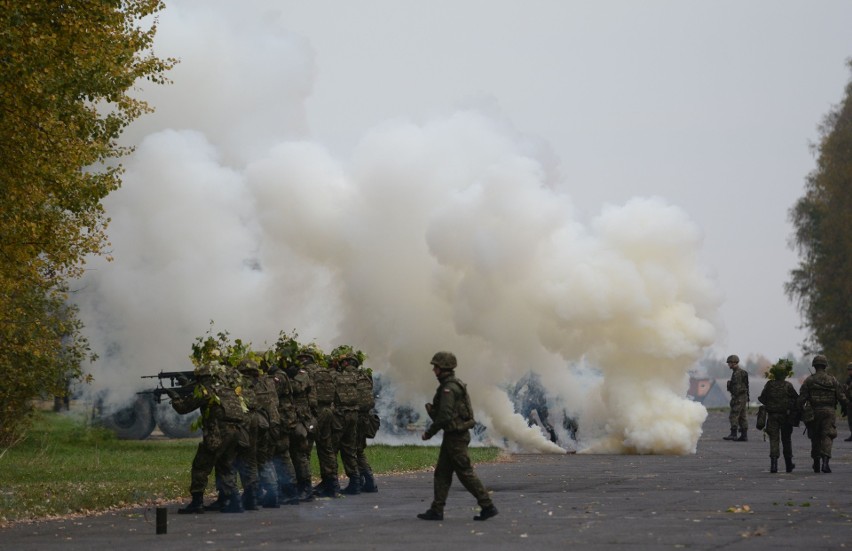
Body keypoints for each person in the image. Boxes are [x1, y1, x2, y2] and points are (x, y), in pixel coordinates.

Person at [417, 351, 498, 522]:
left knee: (465, 473)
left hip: (456, 437)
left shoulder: (449, 388)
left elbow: (445, 415)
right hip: (453, 436)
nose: (433, 370)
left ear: (443, 368)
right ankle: (437, 509)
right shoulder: (453, 385)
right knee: (442, 474)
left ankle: (487, 505)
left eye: (436, 367)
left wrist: (429, 432)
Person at [169, 361, 249, 514]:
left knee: (201, 465)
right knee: (226, 466)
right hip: (235, 433)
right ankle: (233, 501)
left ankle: (197, 502)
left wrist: (175, 398)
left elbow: (183, 408)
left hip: (218, 433)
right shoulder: (227, 389)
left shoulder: (207, 390)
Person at [797, 354, 848, 473]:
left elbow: (801, 398)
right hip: (829, 412)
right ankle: (825, 462)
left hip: (814, 412)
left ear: (814, 366)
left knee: (815, 437)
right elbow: (841, 396)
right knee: (827, 435)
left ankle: (816, 462)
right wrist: (846, 406)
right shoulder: (832, 379)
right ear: (825, 365)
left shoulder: (809, 380)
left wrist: (799, 410)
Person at [757, 360, 798, 473]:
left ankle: (774, 465)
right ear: (785, 374)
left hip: (772, 417)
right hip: (786, 417)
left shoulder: (769, 385)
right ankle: (789, 465)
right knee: (786, 440)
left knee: (774, 440)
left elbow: (762, 399)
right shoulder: (788, 386)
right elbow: (796, 399)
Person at [723, 354, 749, 441]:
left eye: (729, 363)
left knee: (733, 415)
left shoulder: (737, 373)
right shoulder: (741, 372)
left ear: (734, 363)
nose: (728, 365)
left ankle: (733, 434)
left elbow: (737, 388)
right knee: (742, 416)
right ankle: (744, 435)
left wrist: (731, 388)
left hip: (738, 397)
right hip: (743, 397)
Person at [844, 362, 852, 442]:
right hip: (850, 402)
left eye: (850, 370)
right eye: (849, 370)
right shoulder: (848, 379)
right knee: (850, 419)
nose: (849, 371)